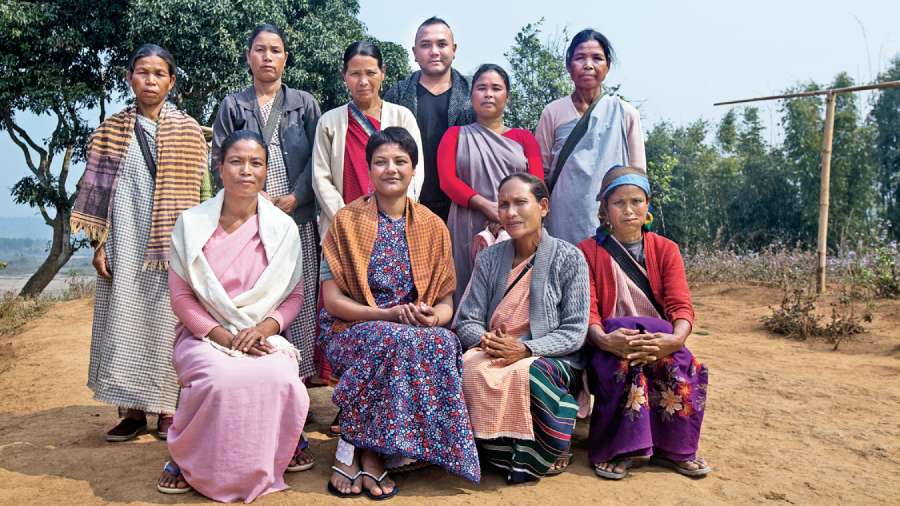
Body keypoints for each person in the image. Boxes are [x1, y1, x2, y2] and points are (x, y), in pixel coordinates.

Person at [320, 127, 479, 499]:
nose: (390, 169)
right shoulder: (346, 221)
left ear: (413, 169)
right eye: (380, 162)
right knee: (395, 339)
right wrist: (385, 315)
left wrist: (432, 318)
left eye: (400, 162)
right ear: (369, 169)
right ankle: (370, 453)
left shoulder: (433, 226)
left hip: (412, 328)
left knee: (442, 341)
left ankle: (374, 447)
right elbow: (331, 301)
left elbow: (445, 304)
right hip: (353, 326)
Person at [156, 130, 311, 501]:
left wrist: (260, 329)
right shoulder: (191, 225)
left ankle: (281, 445)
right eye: (236, 162)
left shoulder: (283, 229)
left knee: (281, 377)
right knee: (219, 379)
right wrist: (223, 337)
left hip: (261, 335)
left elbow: (294, 297)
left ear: (266, 171)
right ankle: (188, 457)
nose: (246, 170)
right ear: (220, 168)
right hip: (203, 335)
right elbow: (181, 298)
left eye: (255, 163)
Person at [71, 44, 207, 442]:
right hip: (125, 242)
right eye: (142, 72)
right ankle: (130, 411)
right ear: (130, 78)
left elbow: (202, 194)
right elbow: (96, 196)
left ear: (172, 81)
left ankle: (168, 408)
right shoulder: (109, 132)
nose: (150, 80)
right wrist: (100, 246)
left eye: (159, 73)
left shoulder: (189, 131)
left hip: (173, 247)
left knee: (169, 323)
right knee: (123, 321)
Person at [576, 166, 710, 480]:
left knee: (683, 365)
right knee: (624, 366)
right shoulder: (586, 252)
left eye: (636, 201)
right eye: (619, 202)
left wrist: (674, 340)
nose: (628, 210)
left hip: (660, 340)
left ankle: (674, 450)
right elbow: (589, 311)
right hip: (611, 341)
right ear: (604, 209)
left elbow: (680, 305)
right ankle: (621, 450)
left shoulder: (666, 250)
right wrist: (607, 341)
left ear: (647, 205)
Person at [455, 173, 590, 483]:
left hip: (546, 356)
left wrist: (526, 348)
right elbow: (468, 321)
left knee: (530, 374)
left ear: (543, 206)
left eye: (520, 203)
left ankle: (550, 444)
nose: (510, 212)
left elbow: (574, 331)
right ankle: (495, 451)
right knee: (464, 368)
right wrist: (490, 342)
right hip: (492, 349)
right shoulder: (489, 258)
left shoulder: (570, 258)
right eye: (503, 205)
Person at [210, 25, 322, 396]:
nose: (268, 57)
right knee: (258, 297)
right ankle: (256, 379)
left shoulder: (304, 103)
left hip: (297, 216)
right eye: (260, 50)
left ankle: (299, 384)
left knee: (299, 298)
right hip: (249, 219)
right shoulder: (233, 105)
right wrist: (253, 203)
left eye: (275, 50)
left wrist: (295, 198)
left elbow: (317, 159)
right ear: (248, 57)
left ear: (286, 58)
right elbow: (219, 159)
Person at [437, 64, 543, 304]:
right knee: (467, 288)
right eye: (481, 88)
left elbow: (536, 185)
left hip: (517, 224)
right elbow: (447, 180)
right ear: (471, 95)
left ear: (508, 96)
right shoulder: (455, 135)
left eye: (496, 88)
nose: (488, 94)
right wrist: (487, 206)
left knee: (516, 292)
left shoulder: (524, 138)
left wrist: (505, 213)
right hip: (467, 223)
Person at [535, 29, 646, 245]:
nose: (588, 65)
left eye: (597, 58)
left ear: (608, 65)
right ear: (569, 65)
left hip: (614, 220)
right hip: (562, 220)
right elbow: (540, 174)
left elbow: (638, 176)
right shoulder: (553, 112)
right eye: (580, 58)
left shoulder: (625, 113)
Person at [313, 41, 424, 239]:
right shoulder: (329, 121)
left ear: (383, 72)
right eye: (355, 74)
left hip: (394, 229)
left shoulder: (402, 117)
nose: (363, 81)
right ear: (344, 76)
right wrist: (347, 219)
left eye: (371, 73)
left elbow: (416, 171)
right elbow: (321, 178)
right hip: (343, 229)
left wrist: (395, 216)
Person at [384, 16, 474, 222]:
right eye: (425, 45)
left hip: (462, 205)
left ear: (454, 49)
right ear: (415, 53)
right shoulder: (397, 95)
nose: (434, 51)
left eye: (442, 44)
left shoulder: (473, 93)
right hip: (408, 203)